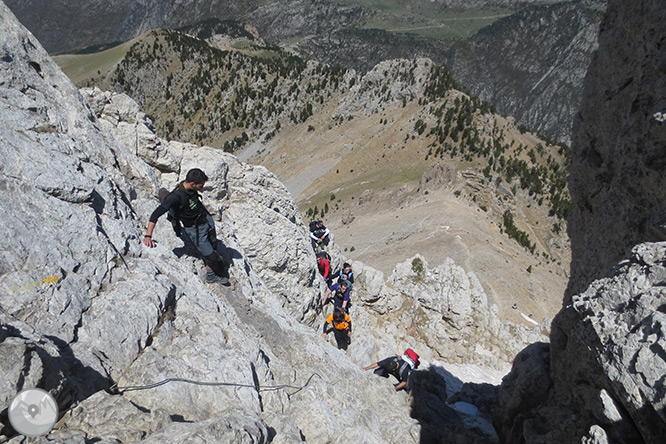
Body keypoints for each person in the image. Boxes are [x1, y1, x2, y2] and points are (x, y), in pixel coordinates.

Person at [143, 168, 229, 285]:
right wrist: (148, 236)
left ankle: (211, 260)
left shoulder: (189, 186)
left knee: (213, 243)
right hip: (195, 229)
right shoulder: (175, 197)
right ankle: (211, 276)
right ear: (192, 184)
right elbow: (155, 214)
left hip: (205, 219)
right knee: (213, 257)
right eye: (200, 186)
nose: (202, 188)